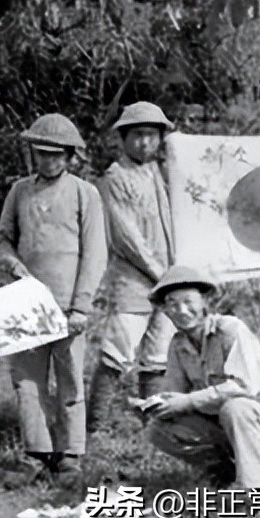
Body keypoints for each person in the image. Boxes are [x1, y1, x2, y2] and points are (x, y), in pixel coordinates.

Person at [0, 113, 107, 487]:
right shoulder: (19, 191)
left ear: (70, 156)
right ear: (33, 154)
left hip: (68, 306)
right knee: (27, 380)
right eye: (42, 154)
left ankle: (71, 454)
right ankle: (36, 452)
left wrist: (82, 306)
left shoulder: (84, 193)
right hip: (26, 306)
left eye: (57, 154)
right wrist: (12, 263)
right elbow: (3, 238)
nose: (49, 161)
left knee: (71, 379)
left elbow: (95, 253)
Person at [142, 265, 260, 489]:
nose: (181, 309)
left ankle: (254, 493)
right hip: (227, 427)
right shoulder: (179, 344)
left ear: (205, 302)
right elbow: (176, 395)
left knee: (236, 408)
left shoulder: (230, 329)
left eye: (188, 301)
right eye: (172, 303)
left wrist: (188, 401)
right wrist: (156, 404)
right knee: (159, 429)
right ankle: (224, 473)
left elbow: (242, 386)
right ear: (166, 311)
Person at [90, 102, 176, 429]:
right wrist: (162, 275)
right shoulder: (115, 178)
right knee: (118, 353)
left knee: (157, 356)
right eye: (138, 136)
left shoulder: (160, 174)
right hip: (135, 281)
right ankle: (93, 428)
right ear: (124, 138)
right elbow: (128, 240)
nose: (145, 143)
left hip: (168, 281)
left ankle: (150, 427)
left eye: (151, 136)